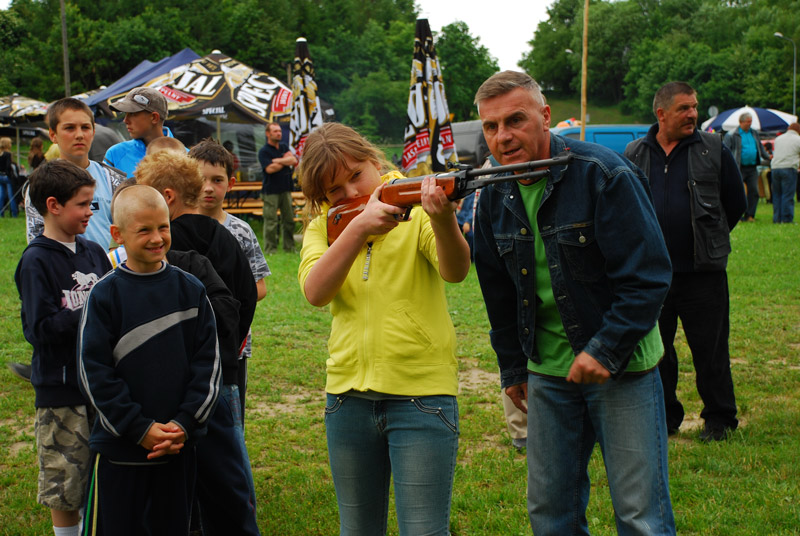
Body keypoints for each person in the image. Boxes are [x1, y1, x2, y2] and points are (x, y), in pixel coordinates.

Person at [473, 71, 675, 535]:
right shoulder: (493, 192)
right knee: (550, 514)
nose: (503, 137)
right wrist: (513, 368)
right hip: (547, 372)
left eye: (515, 120)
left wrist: (604, 348)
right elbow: (497, 294)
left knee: (640, 515)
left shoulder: (604, 173)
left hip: (624, 367)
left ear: (545, 118)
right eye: (491, 127)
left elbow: (649, 277)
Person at [297, 122, 470, 535]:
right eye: (334, 191)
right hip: (347, 399)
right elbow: (315, 292)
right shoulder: (326, 226)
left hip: (421, 396)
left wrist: (443, 220)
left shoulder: (413, 205)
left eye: (356, 175)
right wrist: (359, 228)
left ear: (374, 161)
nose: (351, 193)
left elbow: (456, 270)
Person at [77, 185, 220, 535]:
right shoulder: (104, 294)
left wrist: (184, 425)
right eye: (144, 230)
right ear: (117, 234)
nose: (157, 238)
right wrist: (138, 428)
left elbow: (209, 366)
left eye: (164, 226)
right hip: (120, 451)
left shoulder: (191, 290)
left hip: (176, 448)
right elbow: (93, 372)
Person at [134, 150, 260, 535]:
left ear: (167, 197)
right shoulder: (226, 239)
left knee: (176, 487)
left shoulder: (159, 249)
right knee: (227, 477)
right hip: (220, 379)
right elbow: (247, 299)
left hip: (169, 387)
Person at [625, 81, 746, 442]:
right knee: (658, 352)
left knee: (710, 350)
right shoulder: (635, 152)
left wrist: (707, 240)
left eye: (694, 107)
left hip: (703, 273)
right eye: (684, 108)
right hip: (652, 274)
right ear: (661, 114)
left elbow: (735, 203)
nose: (693, 114)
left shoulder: (712, 149)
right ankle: (665, 416)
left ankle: (719, 419)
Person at [14, 160, 112, 536]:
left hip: (99, 388)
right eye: (84, 204)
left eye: (92, 204)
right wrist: (91, 312)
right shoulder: (36, 259)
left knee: (98, 478)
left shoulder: (92, 252)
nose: (91, 212)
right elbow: (38, 329)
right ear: (53, 205)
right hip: (61, 392)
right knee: (66, 483)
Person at [191, 138, 270, 412]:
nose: (209, 188)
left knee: (230, 414)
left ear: (231, 183)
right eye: (201, 179)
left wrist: (226, 300)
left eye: (217, 180)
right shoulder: (173, 228)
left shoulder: (241, 231)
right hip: (189, 340)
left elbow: (259, 287)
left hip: (234, 344)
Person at [25, 98, 126, 248]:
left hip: (109, 268)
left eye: (85, 127)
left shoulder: (113, 179)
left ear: (93, 132)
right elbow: (36, 240)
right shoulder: (40, 184)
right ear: (53, 135)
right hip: (61, 268)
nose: (79, 135)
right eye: (70, 128)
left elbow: (129, 231)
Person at [103, 87, 175, 177]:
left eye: (132, 114)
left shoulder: (186, 156)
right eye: (125, 114)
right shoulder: (115, 153)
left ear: (154, 118)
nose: (125, 120)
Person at [723, 112, 771, 221]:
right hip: (738, 167)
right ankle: (737, 215)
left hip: (752, 168)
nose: (750, 124)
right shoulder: (732, 134)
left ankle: (750, 215)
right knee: (737, 192)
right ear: (741, 122)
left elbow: (760, 147)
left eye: (750, 122)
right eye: (748, 122)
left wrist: (768, 157)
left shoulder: (754, 133)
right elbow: (726, 150)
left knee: (754, 191)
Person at [258, 122, 298, 253]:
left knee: (289, 220)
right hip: (270, 191)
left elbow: (293, 160)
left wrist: (277, 160)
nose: (279, 133)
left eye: (279, 131)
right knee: (271, 221)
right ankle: (270, 249)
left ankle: (289, 247)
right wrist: (284, 161)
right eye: (275, 131)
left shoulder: (284, 146)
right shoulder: (264, 151)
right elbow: (269, 169)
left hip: (286, 189)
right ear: (268, 134)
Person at [770, 123, 800, 223]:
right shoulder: (798, 139)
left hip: (775, 168)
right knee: (787, 195)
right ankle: (786, 219)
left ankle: (777, 218)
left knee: (777, 194)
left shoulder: (778, 138)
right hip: (789, 168)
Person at [0, 136, 19, 217]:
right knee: (11, 195)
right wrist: (9, 174)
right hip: (6, 176)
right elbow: (8, 166)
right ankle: (14, 212)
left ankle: (1, 213)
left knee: (1, 195)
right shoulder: (8, 154)